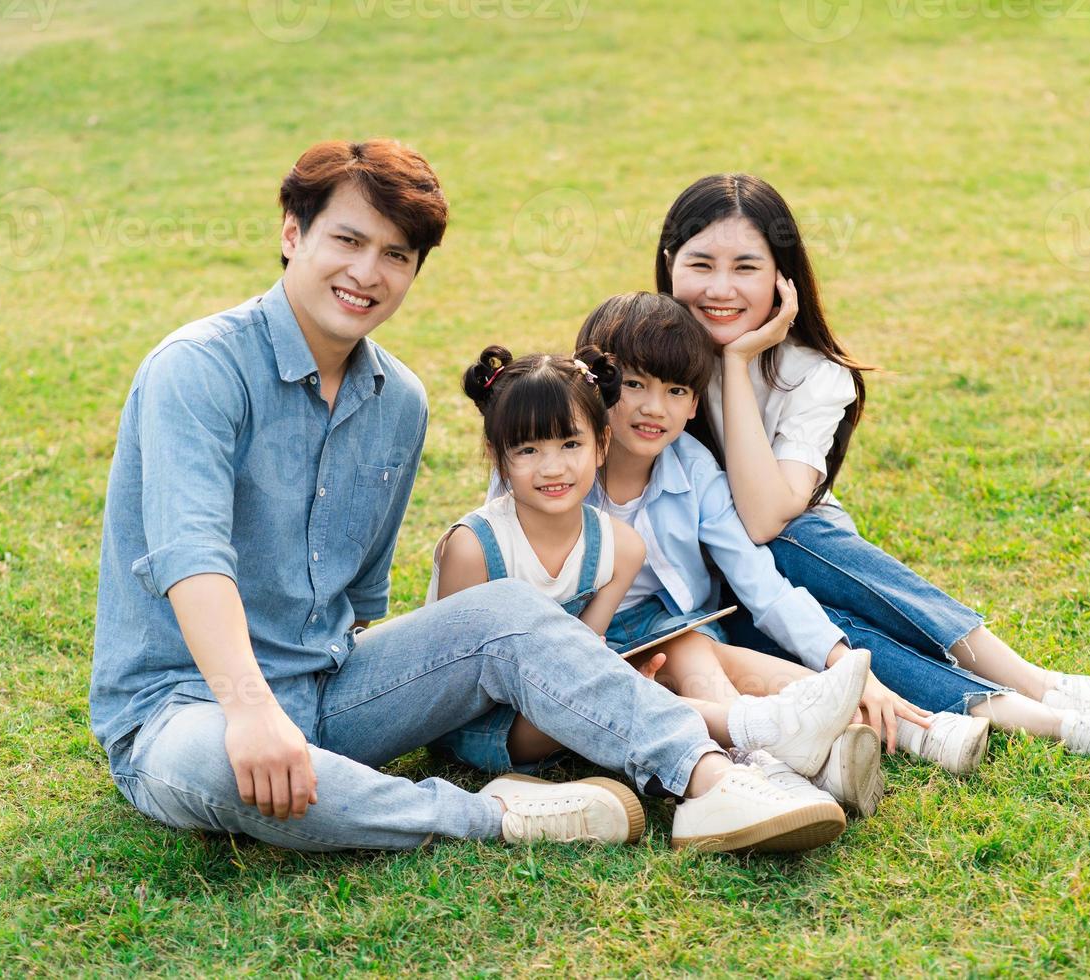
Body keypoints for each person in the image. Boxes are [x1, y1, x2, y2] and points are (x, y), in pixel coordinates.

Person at [86, 139, 860, 858]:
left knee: (510, 612)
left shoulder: (399, 402)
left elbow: (358, 604)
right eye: (347, 241)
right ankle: (498, 815)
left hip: (327, 693)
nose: (367, 273)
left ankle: (715, 777)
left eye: (396, 254)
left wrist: (409, 686)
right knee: (222, 767)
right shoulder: (197, 370)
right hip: (187, 707)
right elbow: (192, 559)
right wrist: (252, 711)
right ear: (294, 232)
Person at [650, 174, 1090, 775]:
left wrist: (735, 363)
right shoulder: (642, 362)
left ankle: (1031, 688)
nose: (720, 289)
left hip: (807, 554)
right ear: (668, 266)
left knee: (794, 549)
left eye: (745, 268)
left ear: (782, 279)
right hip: (707, 590)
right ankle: (1024, 711)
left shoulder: (814, 373)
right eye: (701, 264)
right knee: (797, 624)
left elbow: (766, 519)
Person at [426, 341, 873, 841]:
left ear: (601, 444)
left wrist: (614, 678)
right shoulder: (474, 547)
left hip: (562, 689)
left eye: (570, 445)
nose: (552, 468)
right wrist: (610, 688)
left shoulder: (618, 546)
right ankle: (761, 731)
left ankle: (788, 760)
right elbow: (453, 684)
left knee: (670, 658)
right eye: (528, 450)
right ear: (500, 458)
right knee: (629, 695)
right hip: (490, 723)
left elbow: (582, 651)